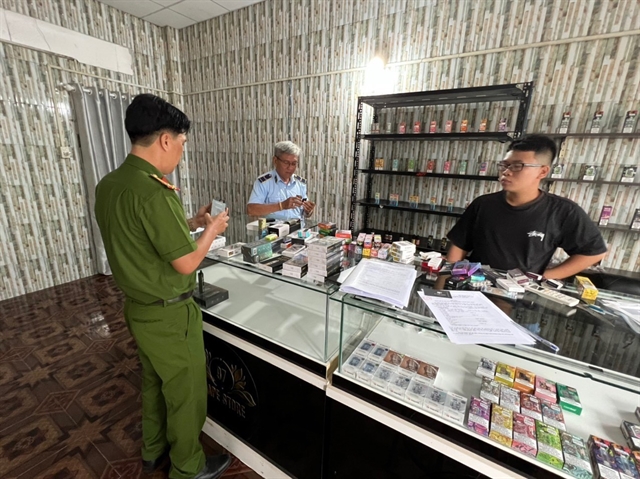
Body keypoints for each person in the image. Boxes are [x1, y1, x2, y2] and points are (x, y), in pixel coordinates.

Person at [95, 94, 232, 479]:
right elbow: (186, 262)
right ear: (166, 140)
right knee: (186, 394)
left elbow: (140, 234)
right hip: (171, 314)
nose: (181, 153)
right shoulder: (156, 191)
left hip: (138, 308)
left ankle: (152, 450)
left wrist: (191, 223)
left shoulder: (110, 185)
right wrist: (211, 230)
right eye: (182, 144)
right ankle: (187, 467)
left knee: (154, 383)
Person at [446, 135, 607, 279]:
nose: (506, 172)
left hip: (521, 294)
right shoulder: (483, 204)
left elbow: (593, 253)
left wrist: (545, 277)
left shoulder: (563, 211)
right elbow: (458, 248)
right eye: (504, 165)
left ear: (542, 172)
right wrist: (445, 285)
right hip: (476, 288)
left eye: (517, 166)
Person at [246, 141, 316, 220]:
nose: (290, 167)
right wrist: (281, 206)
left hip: (298, 227)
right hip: (274, 227)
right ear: (275, 160)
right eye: (286, 162)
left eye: (294, 163)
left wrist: (308, 211)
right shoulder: (264, 182)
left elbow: (305, 213)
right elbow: (251, 210)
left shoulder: (300, 183)